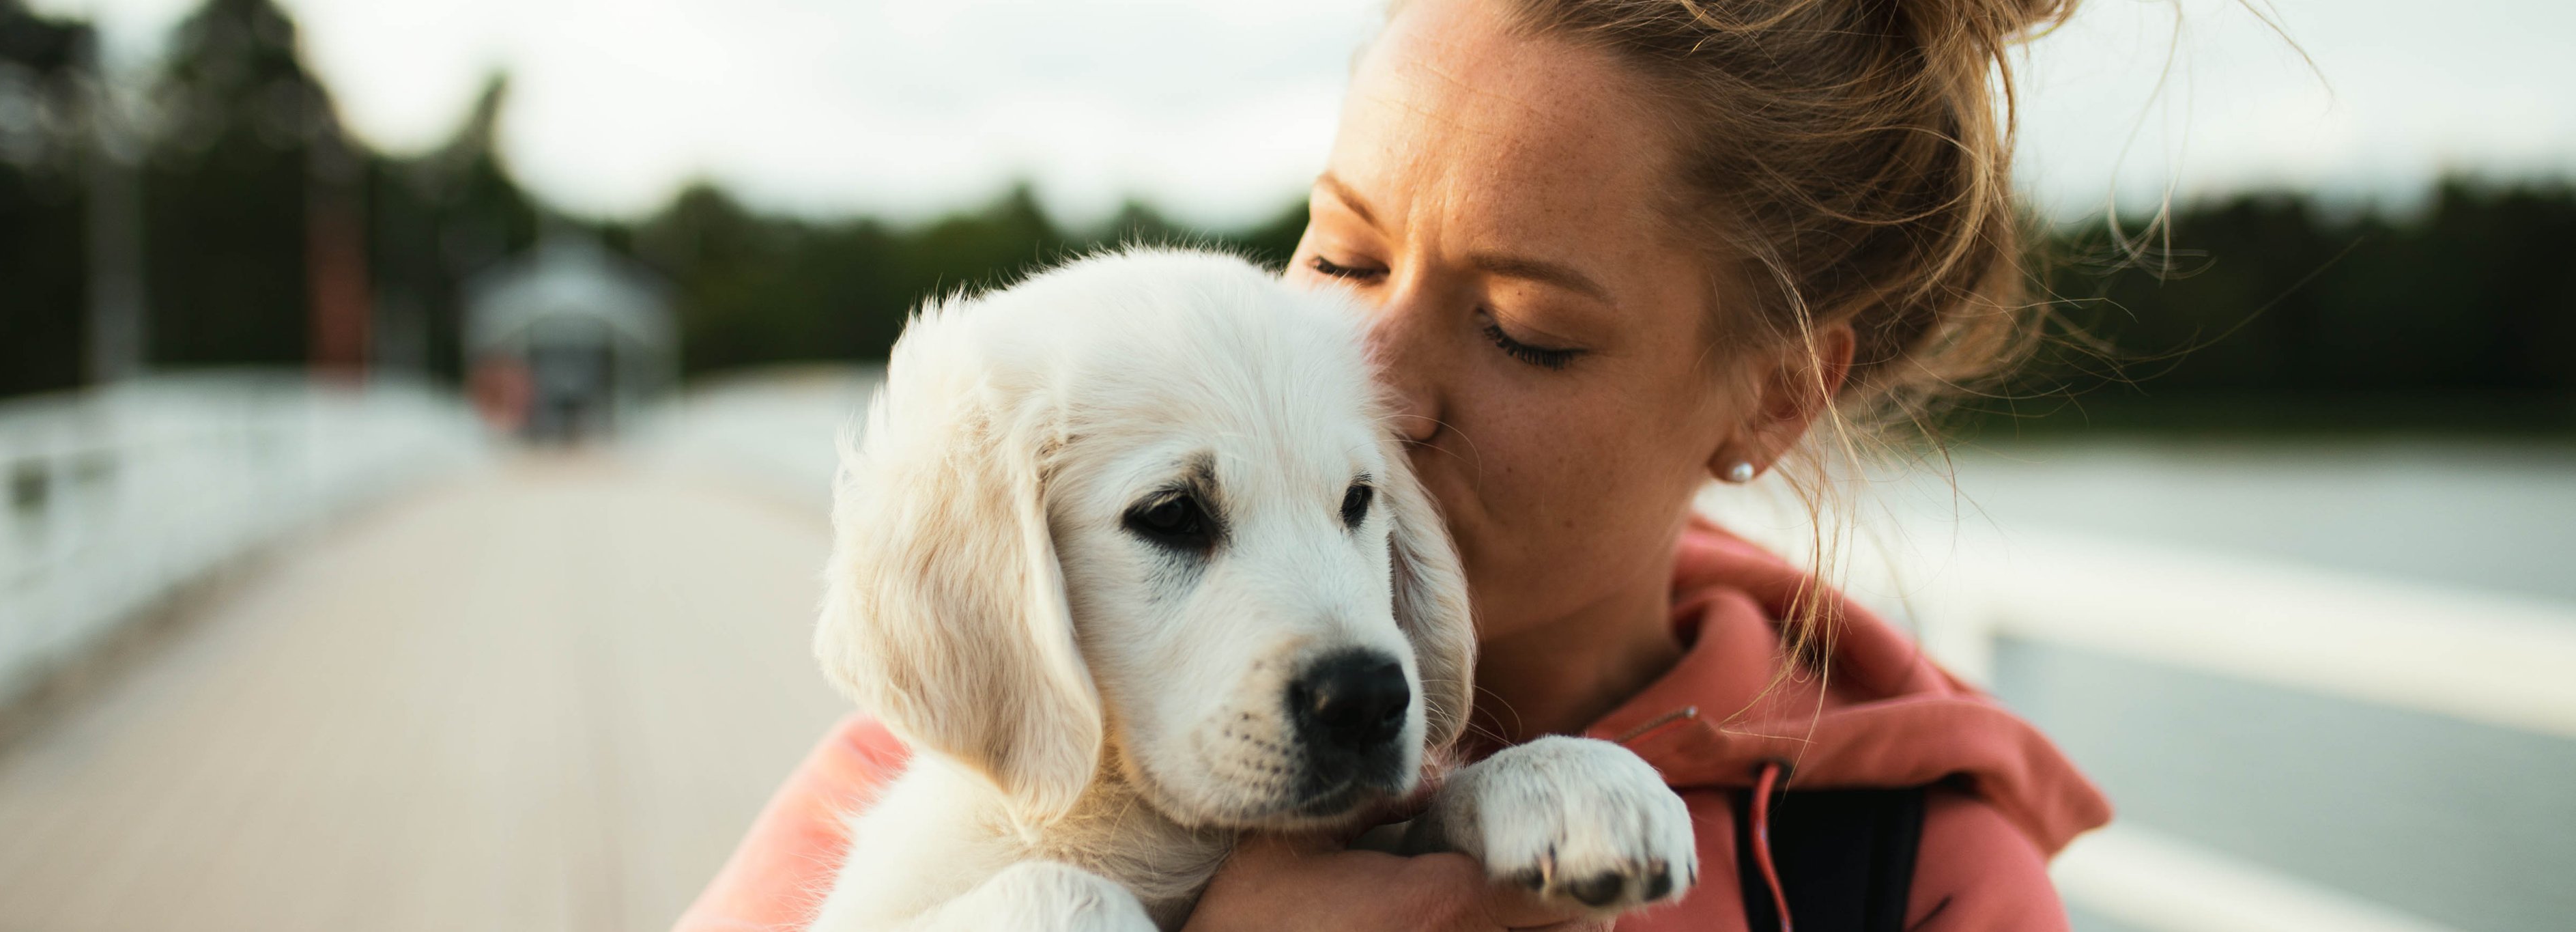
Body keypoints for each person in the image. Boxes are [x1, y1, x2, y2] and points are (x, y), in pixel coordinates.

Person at [674, 0, 2113, 927]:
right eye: (1343, 252)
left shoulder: (1904, 870)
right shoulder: (987, 736)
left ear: (1773, 395)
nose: (1371, 374)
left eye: (1523, 330)